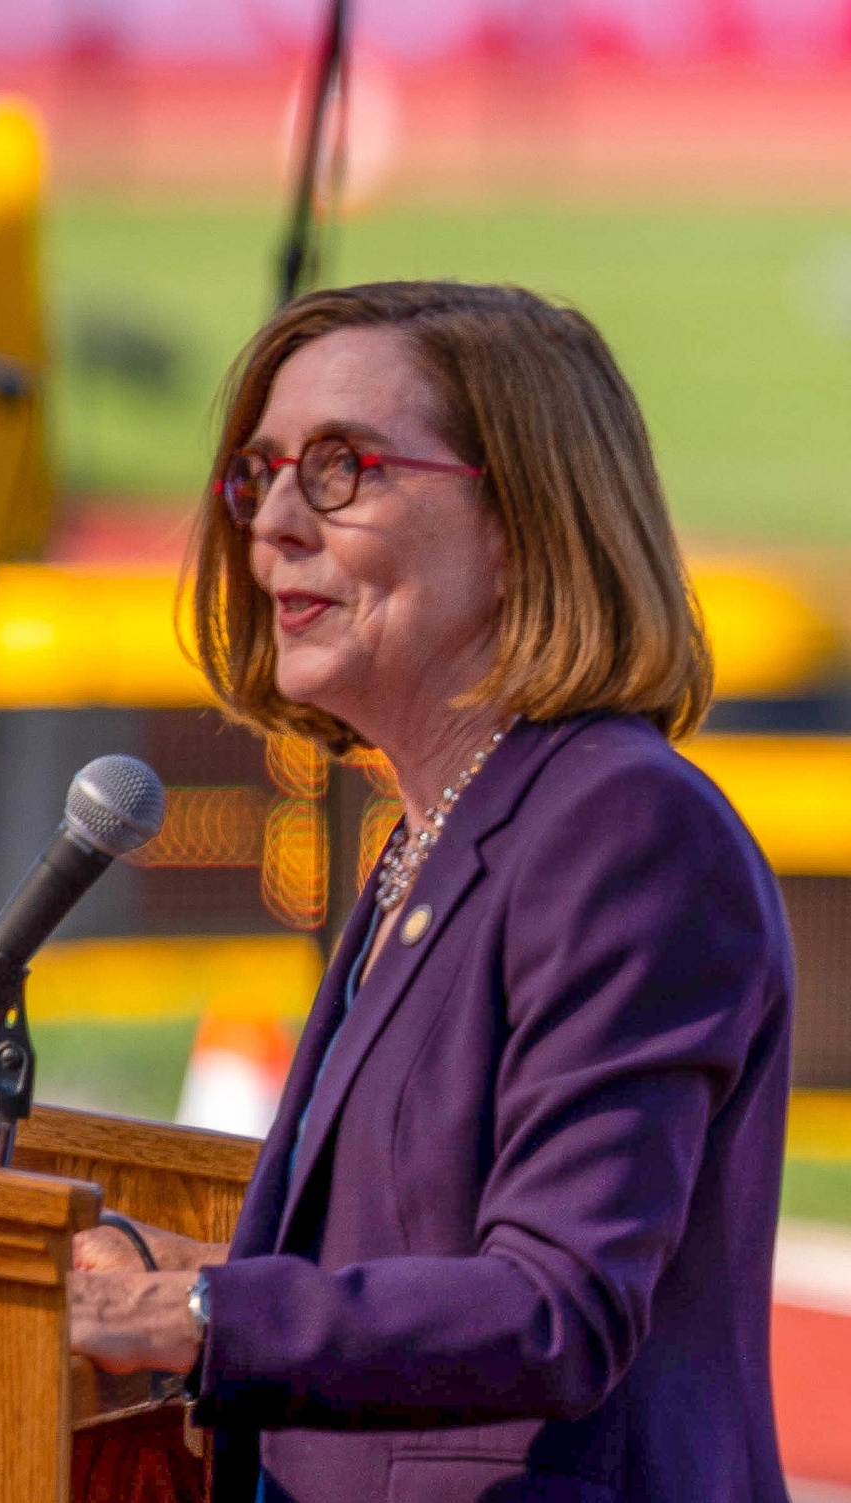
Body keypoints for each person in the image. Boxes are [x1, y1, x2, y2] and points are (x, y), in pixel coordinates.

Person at [69, 281, 793, 1503]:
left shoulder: (623, 825)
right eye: (258, 474)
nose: (275, 525)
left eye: (342, 468)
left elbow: (557, 1303)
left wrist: (192, 1309)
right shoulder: (437, 833)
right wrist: (156, 1268)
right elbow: (405, 1260)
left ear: (521, 521)